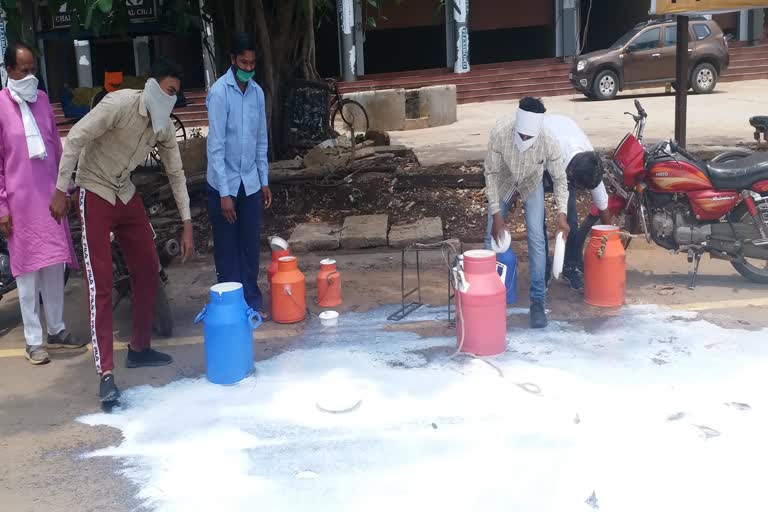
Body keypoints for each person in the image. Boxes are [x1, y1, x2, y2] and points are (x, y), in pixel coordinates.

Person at [50, 58, 195, 403]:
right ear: (152, 86)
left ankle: (140, 347)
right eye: (169, 91)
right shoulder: (120, 104)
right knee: (99, 283)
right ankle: (106, 374)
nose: (171, 99)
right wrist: (60, 188)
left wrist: (187, 223)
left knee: (148, 269)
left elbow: (176, 173)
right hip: (94, 190)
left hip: (124, 192)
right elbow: (75, 140)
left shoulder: (162, 127)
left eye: (176, 95)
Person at [0, 41, 84, 365]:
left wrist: (66, 188)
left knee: (53, 267)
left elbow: (56, 148)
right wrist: (2, 209)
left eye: (33, 69)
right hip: (19, 204)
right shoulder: (2, 106)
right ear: (9, 70)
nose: (30, 75)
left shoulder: (43, 100)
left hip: (50, 199)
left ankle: (58, 330)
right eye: (24, 70)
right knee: (27, 275)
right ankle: (33, 340)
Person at [484, 97, 569, 329]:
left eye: (528, 137)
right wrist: (496, 215)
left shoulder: (549, 141)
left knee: (537, 238)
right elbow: (490, 174)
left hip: (532, 181)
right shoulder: (501, 132)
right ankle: (486, 298)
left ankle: (538, 302)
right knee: (489, 239)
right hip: (503, 178)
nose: (524, 140)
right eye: (521, 136)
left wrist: (562, 213)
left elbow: (560, 179)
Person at [206, 32, 272, 315]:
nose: (247, 68)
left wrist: (264, 181)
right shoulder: (219, 93)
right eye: (243, 63)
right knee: (227, 249)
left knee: (250, 245)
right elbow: (216, 147)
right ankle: (231, 306)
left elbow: (261, 142)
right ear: (232, 60)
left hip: (251, 182)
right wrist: (225, 194)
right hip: (224, 183)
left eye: (251, 63)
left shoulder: (257, 93)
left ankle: (252, 302)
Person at [542, 114, 612, 294]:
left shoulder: (589, 166)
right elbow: (560, 188)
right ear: (571, 172)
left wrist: (610, 238)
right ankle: (542, 270)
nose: (579, 190)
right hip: (539, 162)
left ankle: (570, 267)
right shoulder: (553, 149)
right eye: (578, 186)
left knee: (571, 220)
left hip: (564, 137)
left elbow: (603, 204)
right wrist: (560, 217)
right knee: (536, 219)